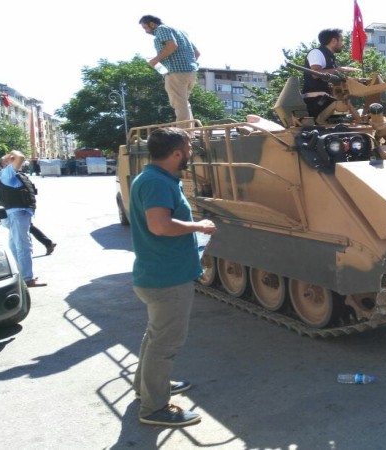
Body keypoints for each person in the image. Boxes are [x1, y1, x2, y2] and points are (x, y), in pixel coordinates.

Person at [129, 127, 216, 427]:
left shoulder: (153, 177)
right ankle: (154, 408)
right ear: (177, 153)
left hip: (158, 273)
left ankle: (147, 388)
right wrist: (200, 226)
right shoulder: (156, 182)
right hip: (167, 278)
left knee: (155, 337)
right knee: (164, 344)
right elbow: (160, 226)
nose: (191, 153)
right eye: (189, 148)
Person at [139, 15, 200, 126]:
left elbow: (172, 46)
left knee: (179, 103)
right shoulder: (181, 32)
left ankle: (184, 132)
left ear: (152, 24)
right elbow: (197, 53)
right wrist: (187, 64)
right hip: (191, 72)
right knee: (183, 102)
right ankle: (190, 130)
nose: (146, 31)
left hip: (175, 72)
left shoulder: (161, 29)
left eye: (145, 27)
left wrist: (155, 60)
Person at [0, 151, 46, 287]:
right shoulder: (7, 172)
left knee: (15, 245)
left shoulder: (9, 174)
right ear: (5, 163)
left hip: (15, 214)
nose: (14, 160)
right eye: (10, 159)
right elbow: (21, 156)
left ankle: (19, 275)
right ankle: (27, 278)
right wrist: (11, 153)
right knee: (23, 246)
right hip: (17, 214)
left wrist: (9, 157)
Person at [301, 28, 361, 119]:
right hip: (317, 102)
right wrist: (340, 69)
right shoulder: (317, 53)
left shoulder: (330, 58)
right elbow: (315, 74)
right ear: (334, 41)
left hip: (328, 101)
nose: (343, 44)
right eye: (341, 40)